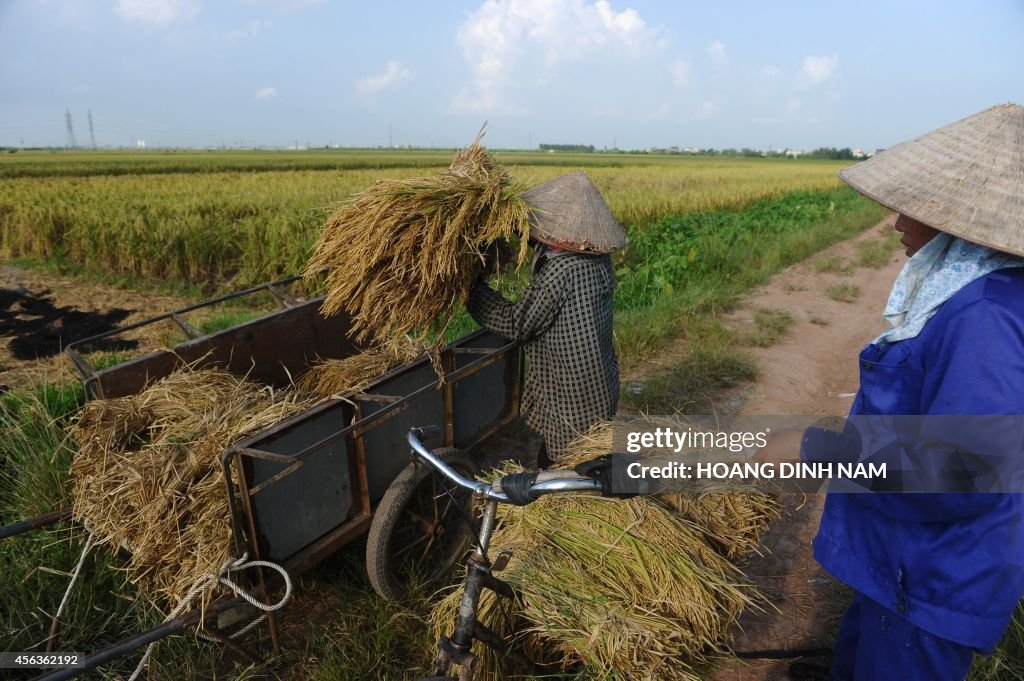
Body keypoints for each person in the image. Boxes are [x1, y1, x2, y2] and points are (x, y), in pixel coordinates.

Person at [798, 103, 1024, 680]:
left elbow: (961, 472)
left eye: (915, 210)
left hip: (931, 576)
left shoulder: (984, 315)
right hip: (903, 565)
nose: (899, 223)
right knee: (854, 656)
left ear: (960, 222)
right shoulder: (973, 297)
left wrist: (823, 451)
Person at [466, 170, 627, 467]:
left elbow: (519, 323)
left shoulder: (562, 268)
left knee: (567, 461)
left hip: (572, 384)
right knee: (588, 451)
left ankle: (568, 503)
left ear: (564, 234)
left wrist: (472, 290)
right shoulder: (595, 255)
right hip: (596, 376)